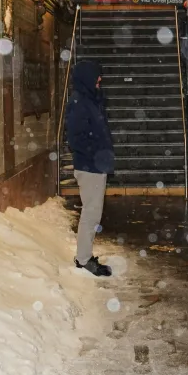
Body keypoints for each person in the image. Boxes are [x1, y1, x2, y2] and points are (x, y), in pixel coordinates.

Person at [65, 60, 114, 277]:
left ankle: (84, 256)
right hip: (89, 167)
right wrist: (96, 155)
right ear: (87, 77)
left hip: (95, 165)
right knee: (91, 213)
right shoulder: (79, 102)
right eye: (97, 75)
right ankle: (83, 259)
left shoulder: (89, 100)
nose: (100, 79)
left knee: (93, 212)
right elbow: (76, 139)